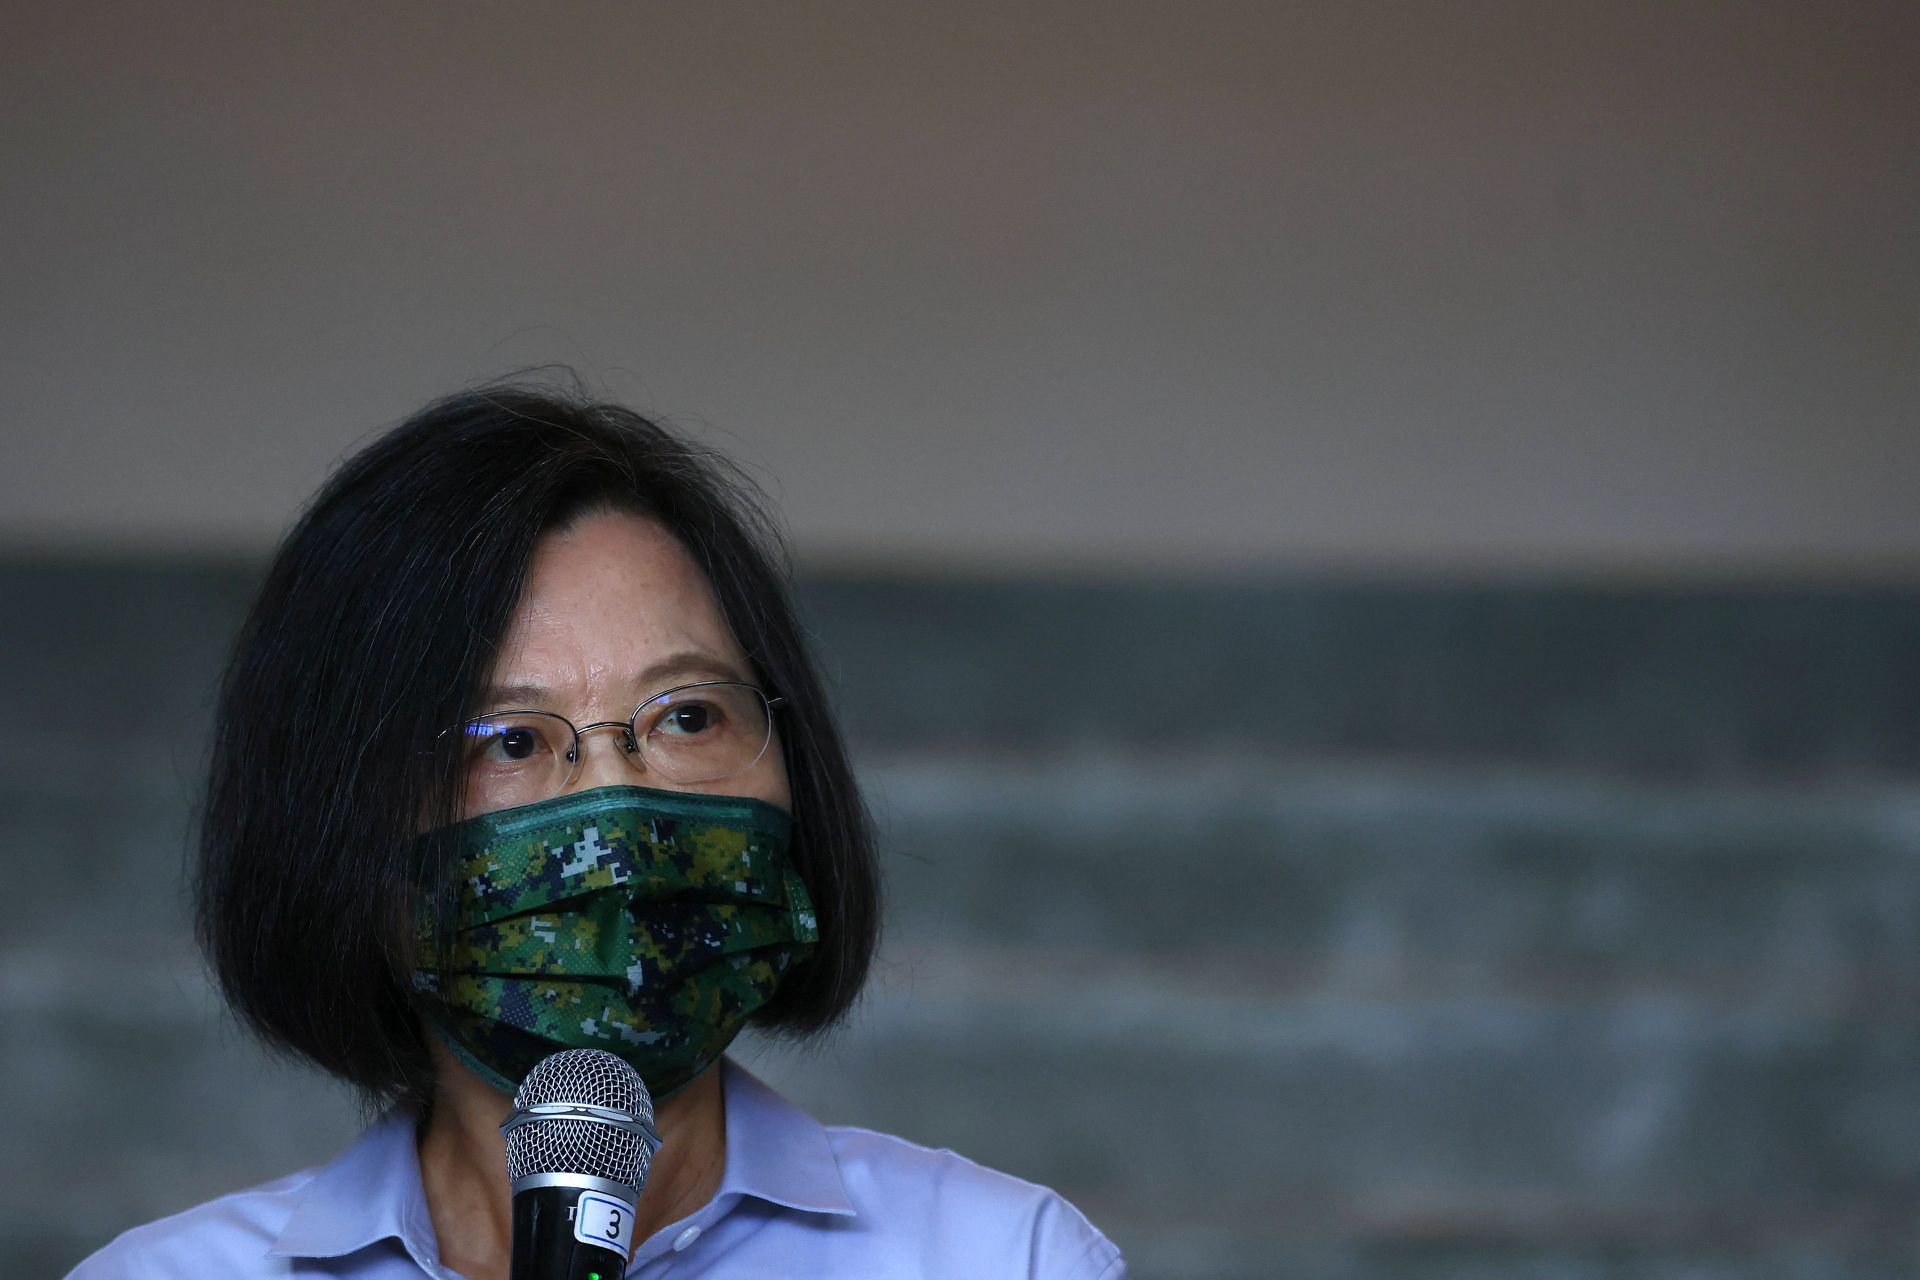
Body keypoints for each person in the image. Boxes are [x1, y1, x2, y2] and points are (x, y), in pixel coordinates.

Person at [68, 379, 1125, 1280]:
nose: (618, 807)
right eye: (511, 739)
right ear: (343, 829)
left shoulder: (999, 1257)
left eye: (688, 715)